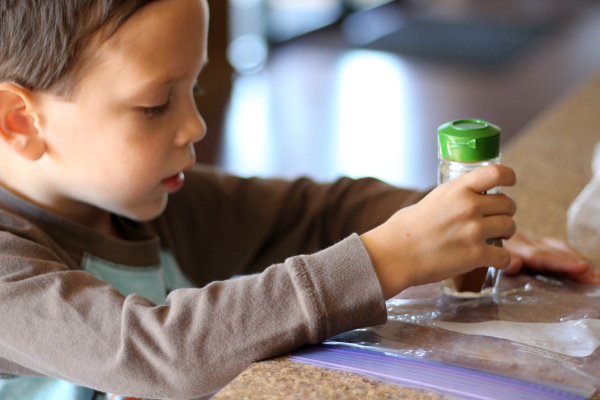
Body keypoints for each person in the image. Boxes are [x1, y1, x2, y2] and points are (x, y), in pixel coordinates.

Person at [0, 1, 597, 399]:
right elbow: (158, 351)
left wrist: (449, 222)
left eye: (196, 87)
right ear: (18, 120)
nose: (195, 126)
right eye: (156, 104)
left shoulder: (148, 198)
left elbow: (320, 208)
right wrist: (387, 258)